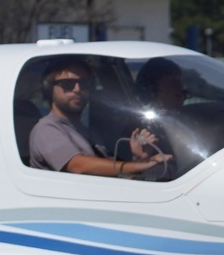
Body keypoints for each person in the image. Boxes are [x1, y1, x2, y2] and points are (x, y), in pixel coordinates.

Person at [29, 59, 173, 177]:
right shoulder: (46, 129)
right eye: (68, 84)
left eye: (84, 84)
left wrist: (138, 158)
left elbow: (109, 178)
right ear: (49, 89)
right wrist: (137, 166)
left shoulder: (88, 133)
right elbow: (78, 166)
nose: (77, 89)